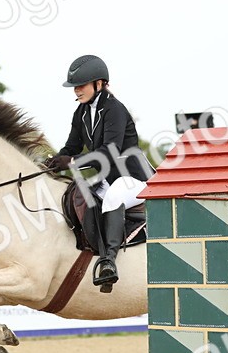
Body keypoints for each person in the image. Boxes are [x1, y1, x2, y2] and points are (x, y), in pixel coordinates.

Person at [45, 54, 152, 289]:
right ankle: (90, 250)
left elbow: (110, 152)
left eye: (81, 85)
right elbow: (71, 147)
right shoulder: (82, 112)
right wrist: (51, 162)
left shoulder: (114, 109)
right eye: (75, 87)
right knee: (83, 197)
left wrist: (71, 161)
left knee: (113, 196)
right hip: (109, 177)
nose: (76, 91)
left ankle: (108, 261)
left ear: (99, 83)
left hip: (134, 177)